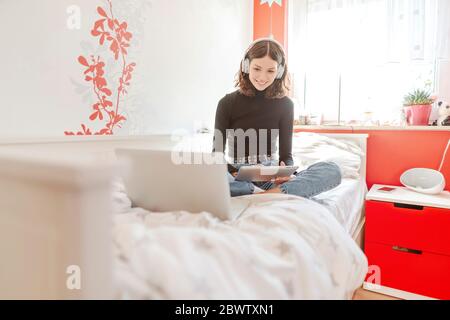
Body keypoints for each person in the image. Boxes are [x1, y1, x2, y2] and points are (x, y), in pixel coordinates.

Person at [212, 38, 341, 197]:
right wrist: (231, 172)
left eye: (270, 71)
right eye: (257, 68)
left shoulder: (286, 105)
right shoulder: (227, 103)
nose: (262, 77)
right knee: (204, 173)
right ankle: (273, 194)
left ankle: (266, 194)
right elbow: (216, 154)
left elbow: (286, 156)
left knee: (331, 170)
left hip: (271, 176)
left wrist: (285, 171)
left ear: (279, 72)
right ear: (246, 66)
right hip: (238, 175)